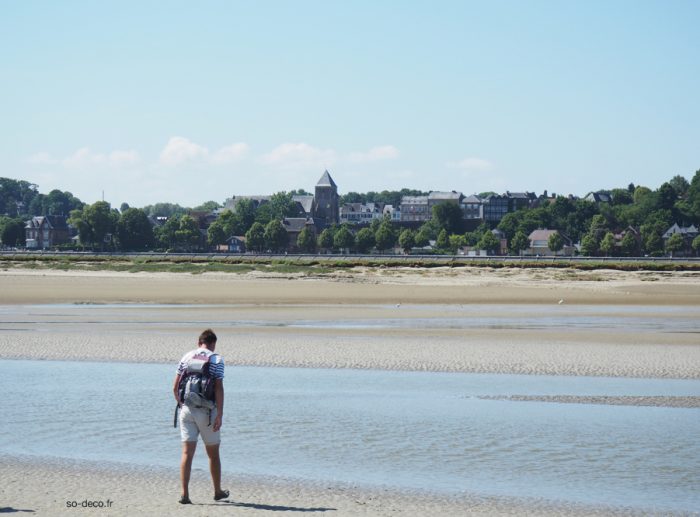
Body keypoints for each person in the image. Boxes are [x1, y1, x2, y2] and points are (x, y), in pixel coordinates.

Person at [173, 328, 229, 504]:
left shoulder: (186, 357)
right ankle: (218, 491)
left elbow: (175, 388)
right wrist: (219, 414)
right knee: (213, 454)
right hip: (207, 413)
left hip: (187, 410)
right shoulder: (216, 359)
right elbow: (218, 388)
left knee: (186, 453)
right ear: (213, 344)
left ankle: (185, 494)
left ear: (199, 343)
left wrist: (182, 406)